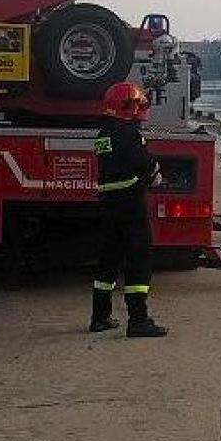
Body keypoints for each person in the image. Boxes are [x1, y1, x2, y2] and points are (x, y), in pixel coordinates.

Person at [90, 81, 168, 338]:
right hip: (130, 203)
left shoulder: (103, 133)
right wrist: (154, 171)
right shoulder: (128, 133)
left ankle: (100, 317)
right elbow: (141, 163)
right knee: (139, 259)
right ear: (129, 107)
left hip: (108, 203)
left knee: (109, 258)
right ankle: (138, 321)